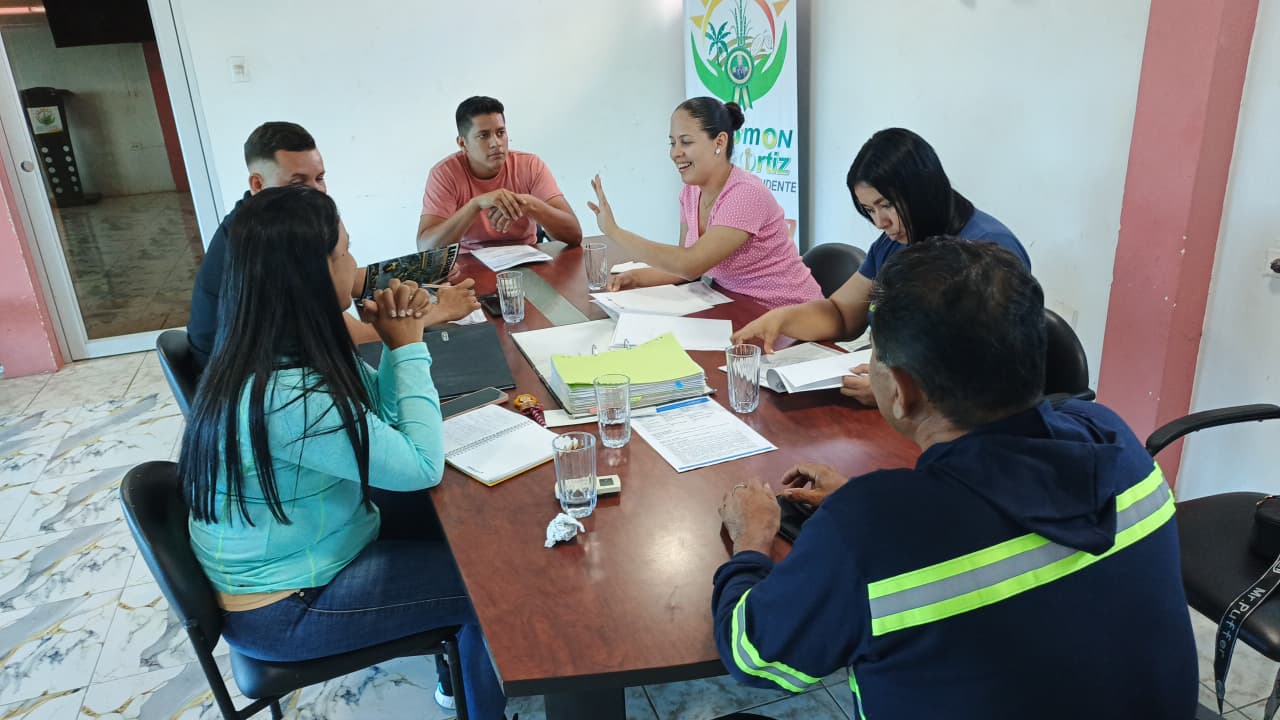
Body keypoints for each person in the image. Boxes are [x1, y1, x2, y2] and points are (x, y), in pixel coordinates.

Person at [712, 239, 1197, 719]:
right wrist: (864, 507)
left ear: (901, 390)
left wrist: (753, 538)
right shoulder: (1112, 438)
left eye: (873, 354)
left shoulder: (865, 528)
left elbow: (753, 656)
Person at [178, 185, 503, 718]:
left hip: (316, 554)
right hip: (288, 607)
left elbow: (384, 421)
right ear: (312, 273)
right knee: (490, 583)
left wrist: (397, 338)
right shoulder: (286, 395)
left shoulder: (279, 346)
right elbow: (421, 465)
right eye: (346, 252)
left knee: (468, 528)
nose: (356, 266)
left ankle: (462, 677)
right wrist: (409, 346)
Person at [731, 128, 1031, 401]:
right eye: (869, 210)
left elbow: (992, 367)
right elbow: (842, 314)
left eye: (886, 205)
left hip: (957, 415)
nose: (880, 222)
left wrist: (903, 393)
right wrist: (783, 319)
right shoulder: (894, 242)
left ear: (923, 191)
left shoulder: (989, 249)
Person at [188, 122, 476, 370]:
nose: (317, 192)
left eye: (320, 178)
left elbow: (341, 278)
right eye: (298, 182)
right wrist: (440, 311)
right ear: (257, 184)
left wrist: (426, 271)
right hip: (253, 386)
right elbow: (356, 338)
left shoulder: (260, 220)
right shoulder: (266, 246)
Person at [586, 96, 822, 310]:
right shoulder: (690, 193)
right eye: (672, 143)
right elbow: (682, 268)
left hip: (790, 316)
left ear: (719, 142)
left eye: (686, 142)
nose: (675, 153)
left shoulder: (745, 194)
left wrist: (614, 232)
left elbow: (690, 264)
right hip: (740, 309)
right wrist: (635, 278)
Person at [418, 96, 583, 250]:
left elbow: (574, 235)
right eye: (484, 136)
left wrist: (531, 205)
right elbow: (426, 247)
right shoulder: (444, 174)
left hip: (527, 260)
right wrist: (475, 205)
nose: (496, 143)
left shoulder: (530, 165)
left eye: (500, 133)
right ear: (462, 143)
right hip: (469, 264)